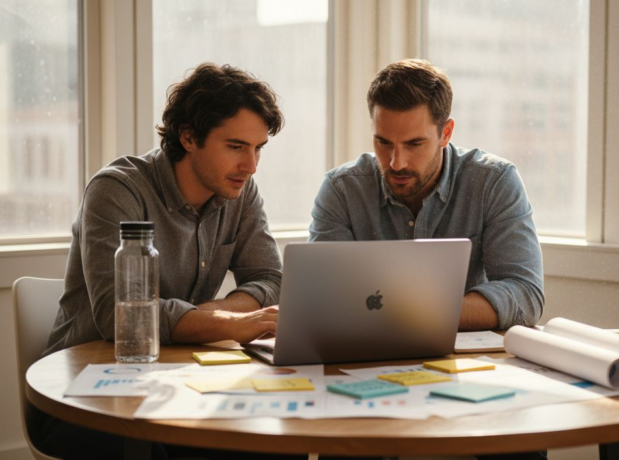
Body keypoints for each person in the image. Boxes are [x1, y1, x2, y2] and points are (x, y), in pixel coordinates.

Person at [32, 63, 297, 460]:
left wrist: (213, 316)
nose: (251, 165)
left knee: (276, 441)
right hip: (87, 397)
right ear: (188, 137)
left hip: (181, 385)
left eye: (258, 148)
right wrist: (231, 323)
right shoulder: (117, 189)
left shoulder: (240, 191)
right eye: (236, 147)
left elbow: (269, 278)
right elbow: (121, 317)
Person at [309, 58, 546, 460]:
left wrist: (407, 310)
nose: (396, 162)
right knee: (342, 445)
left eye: (414, 144)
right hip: (364, 370)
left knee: (520, 445)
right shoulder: (341, 190)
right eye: (383, 143)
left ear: (446, 132)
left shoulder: (494, 181)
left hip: (467, 372)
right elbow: (322, 300)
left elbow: (525, 294)